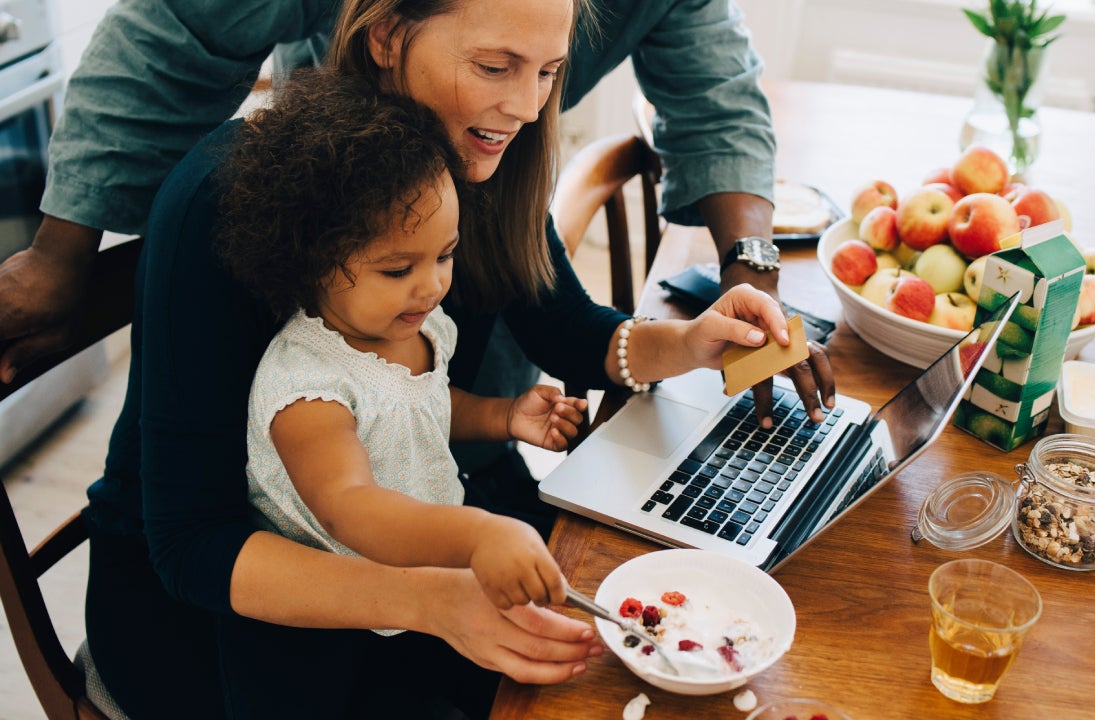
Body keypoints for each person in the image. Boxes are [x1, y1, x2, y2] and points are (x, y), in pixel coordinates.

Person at [76, 1, 835, 718]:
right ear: (387, 36)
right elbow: (192, 546)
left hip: (417, 550)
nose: (528, 108)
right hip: (219, 625)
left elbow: (573, 336)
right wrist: (434, 598)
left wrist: (695, 339)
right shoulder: (222, 198)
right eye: (496, 65)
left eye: (547, 72)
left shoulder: (472, 154)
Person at [221, 69, 585, 615]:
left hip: (434, 573)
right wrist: (476, 535)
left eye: (444, 256)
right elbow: (351, 507)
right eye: (396, 270)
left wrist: (505, 416)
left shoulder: (415, 325)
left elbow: (422, 407)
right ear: (310, 262)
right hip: (353, 619)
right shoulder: (307, 389)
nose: (433, 285)